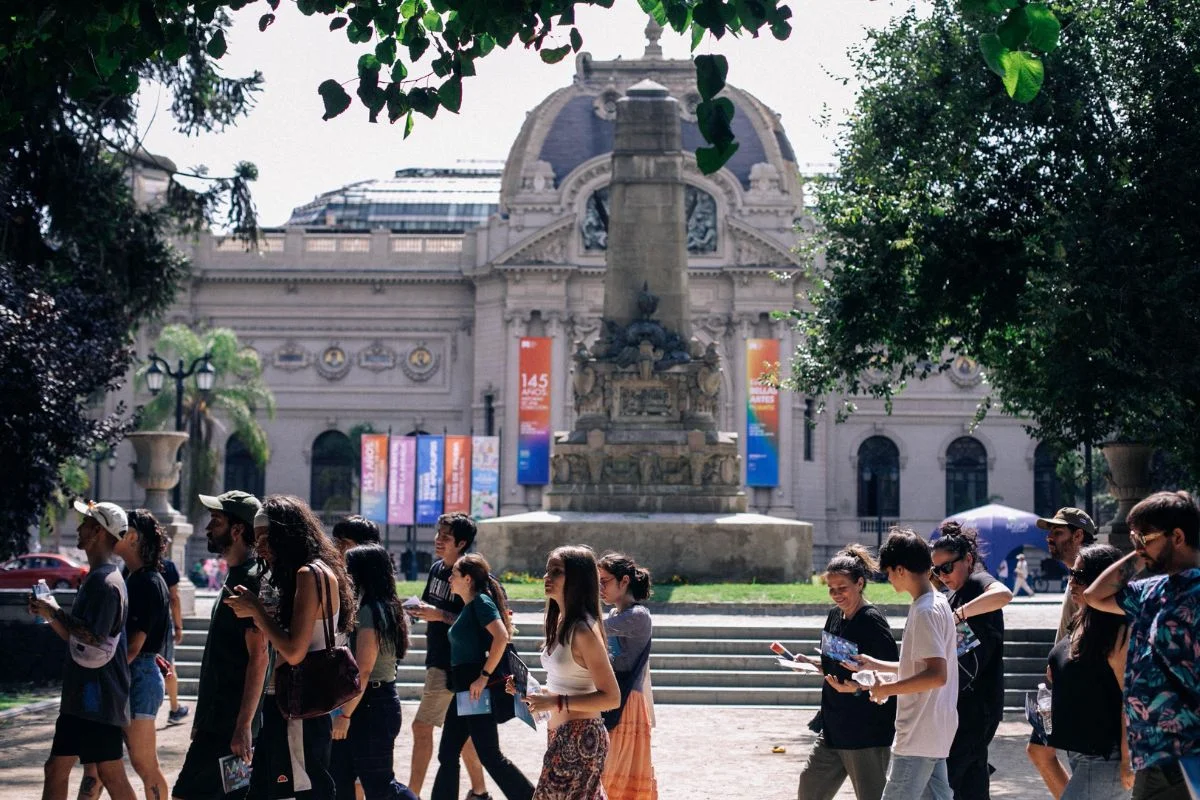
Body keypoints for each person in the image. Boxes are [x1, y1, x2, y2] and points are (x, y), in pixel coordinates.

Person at [225, 494, 356, 800]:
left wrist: (256, 610)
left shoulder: (308, 574)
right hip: (294, 704)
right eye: (257, 539)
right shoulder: (316, 572)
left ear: (288, 534)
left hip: (297, 705)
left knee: (300, 791)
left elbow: (295, 651)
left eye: (267, 537)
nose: (261, 547)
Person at [1083, 491, 1200, 800]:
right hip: (1153, 753)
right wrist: (1142, 551)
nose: (1138, 546)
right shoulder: (1151, 589)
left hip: (1187, 752)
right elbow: (1094, 596)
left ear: (1177, 536)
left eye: (1144, 538)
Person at [29, 500, 136, 800]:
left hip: (98, 699)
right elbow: (78, 636)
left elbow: (93, 635)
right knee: (57, 768)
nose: (78, 528)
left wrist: (55, 612)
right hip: (85, 697)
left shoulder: (106, 583)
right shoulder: (98, 577)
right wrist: (49, 614)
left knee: (110, 774)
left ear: (99, 532)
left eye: (86, 523)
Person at [845, 527, 958, 800]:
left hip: (919, 733)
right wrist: (876, 665)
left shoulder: (925, 610)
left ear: (900, 570)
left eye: (887, 573)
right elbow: (922, 667)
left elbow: (936, 675)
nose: (888, 580)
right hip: (934, 731)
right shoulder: (937, 602)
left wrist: (886, 690)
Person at [171, 490, 269, 800]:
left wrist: (243, 726)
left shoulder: (251, 581)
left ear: (237, 530)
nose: (207, 529)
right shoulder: (237, 577)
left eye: (216, 521)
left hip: (230, 727)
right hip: (219, 722)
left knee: (188, 795)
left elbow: (260, 658)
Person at [792, 545, 898, 800]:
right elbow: (837, 663)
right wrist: (814, 664)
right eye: (831, 589)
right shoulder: (834, 616)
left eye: (842, 588)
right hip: (833, 726)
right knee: (809, 789)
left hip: (866, 731)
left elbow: (893, 674)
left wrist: (858, 688)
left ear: (860, 583)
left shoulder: (872, 620)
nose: (836, 595)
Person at [81, 508, 173, 800]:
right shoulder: (131, 577)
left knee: (144, 764)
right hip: (128, 674)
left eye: (121, 529)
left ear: (132, 537)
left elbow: (133, 647)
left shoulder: (147, 582)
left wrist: (105, 677)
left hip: (136, 676)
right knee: (97, 764)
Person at [430, 553, 533, 800]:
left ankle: (531, 797)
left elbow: (501, 637)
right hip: (465, 690)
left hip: (475, 690)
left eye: (453, 574)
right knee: (448, 753)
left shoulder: (481, 603)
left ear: (467, 579)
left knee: (489, 755)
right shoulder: (470, 606)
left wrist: (484, 677)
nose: (449, 578)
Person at [519, 546, 620, 800]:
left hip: (582, 737)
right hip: (560, 735)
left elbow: (611, 697)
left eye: (556, 571)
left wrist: (555, 701)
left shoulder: (584, 630)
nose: (547, 577)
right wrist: (533, 691)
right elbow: (567, 685)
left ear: (576, 578)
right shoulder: (562, 622)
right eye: (547, 570)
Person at [408, 513, 491, 800]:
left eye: (446, 536)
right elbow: (431, 605)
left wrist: (439, 615)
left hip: (451, 663)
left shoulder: (469, 576)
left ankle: (412, 794)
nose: (438, 540)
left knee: (421, 727)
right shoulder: (435, 570)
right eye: (438, 534)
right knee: (463, 736)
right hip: (439, 659)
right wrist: (416, 611)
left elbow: (478, 618)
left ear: (462, 542)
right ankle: (480, 792)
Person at [331, 543, 420, 800]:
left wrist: (345, 716)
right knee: (341, 775)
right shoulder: (387, 606)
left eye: (349, 569)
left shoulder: (372, 610)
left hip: (370, 704)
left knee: (380, 785)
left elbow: (365, 669)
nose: (345, 575)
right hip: (374, 701)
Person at [930, 523, 1013, 800]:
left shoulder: (977, 581)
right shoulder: (953, 591)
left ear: (967, 559)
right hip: (964, 701)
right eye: (936, 570)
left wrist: (958, 614)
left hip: (980, 705)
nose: (942, 576)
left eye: (947, 568)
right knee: (971, 781)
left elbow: (1004, 595)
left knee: (950, 777)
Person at [1046, 543, 1132, 800]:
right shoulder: (1083, 620)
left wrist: (1128, 760)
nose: (1072, 582)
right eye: (1072, 574)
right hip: (1081, 753)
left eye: (1080, 576)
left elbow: (1131, 698)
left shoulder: (1117, 630)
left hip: (1106, 757)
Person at [1028, 506, 1098, 798]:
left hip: (1083, 688)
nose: (1050, 539)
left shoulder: (1094, 580)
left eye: (1058, 532)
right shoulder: (1074, 578)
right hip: (1063, 683)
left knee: (1073, 759)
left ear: (1078, 535)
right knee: (1039, 751)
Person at [596, 552, 658, 800]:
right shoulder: (617, 614)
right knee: (608, 773)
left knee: (614, 773)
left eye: (604, 581)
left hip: (628, 703)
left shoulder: (638, 615)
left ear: (623, 581)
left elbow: (592, 628)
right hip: (616, 696)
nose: (600, 588)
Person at [162, 540, 189, 727]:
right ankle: (174, 708)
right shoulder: (168, 567)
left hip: (135, 625)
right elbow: (174, 598)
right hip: (161, 627)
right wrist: (178, 626)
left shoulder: (132, 565)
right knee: (168, 666)